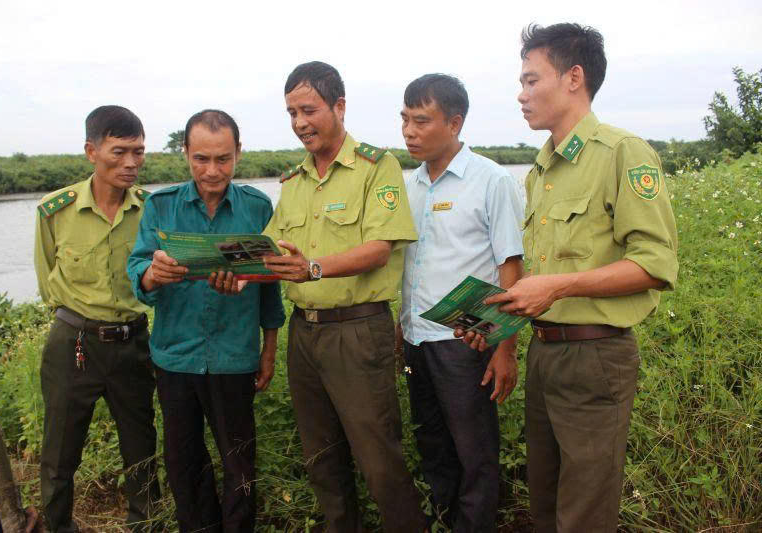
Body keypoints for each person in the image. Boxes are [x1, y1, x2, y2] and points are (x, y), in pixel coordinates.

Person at [460, 23, 678, 532]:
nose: (521, 94)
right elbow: (540, 277)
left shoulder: (622, 153)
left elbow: (654, 264)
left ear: (574, 77)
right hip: (547, 354)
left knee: (584, 513)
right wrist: (495, 324)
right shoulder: (541, 170)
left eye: (532, 80)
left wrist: (557, 287)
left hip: (595, 357)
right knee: (547, 507)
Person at [262, 61, 427, 532]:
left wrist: (313, 267)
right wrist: (233, 271)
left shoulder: (378, 167)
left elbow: (379, 249)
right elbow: (273, 251)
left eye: (309, 110)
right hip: (304, 335)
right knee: (322, 458)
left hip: (357, 331)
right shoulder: (293, 182)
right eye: (291, 112)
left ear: (339, 106)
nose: (299, 123)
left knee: (378, 459)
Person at [127, 110, 285, 533]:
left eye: (223, 159)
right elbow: (138, 267)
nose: (212, 171)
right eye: (201, 159)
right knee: (183, 461)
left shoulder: (256, 207)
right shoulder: (161, 206)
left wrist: (268, 351)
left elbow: (270, 285)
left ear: (239, 153)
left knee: (240, 461)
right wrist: (152, 272)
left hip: (235, 356)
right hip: (176, 357)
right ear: (185, 153)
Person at [397, 73, 524, 532]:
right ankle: (447, 521)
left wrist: (505, 348)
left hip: (466, 340)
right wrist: (401, 326)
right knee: (433, 445)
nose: (409, 131)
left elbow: (512, 267)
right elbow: (411, 266)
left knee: (475, 452)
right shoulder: (408, 185)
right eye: (405, 120)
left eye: (421, 121)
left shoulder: (492, 180)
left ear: (454, 123)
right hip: (417, 340)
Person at [33, 105, 160, 533]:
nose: (131, 163)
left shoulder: (150, 211)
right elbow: (47, 279)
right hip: (75, 345)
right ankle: (57, 526)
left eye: (139, 152)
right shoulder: (55, 211)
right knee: (59, 454)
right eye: (119, 151)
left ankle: (145, 525)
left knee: (141, 449)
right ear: (91, 150)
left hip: (133, 344)